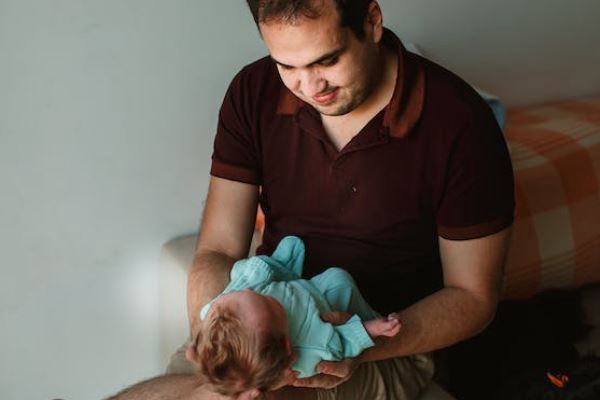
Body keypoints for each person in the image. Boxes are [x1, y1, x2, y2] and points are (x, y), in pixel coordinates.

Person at [109, 0, 514, 399]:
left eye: (328, 60)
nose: (310, 86)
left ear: (372, 21)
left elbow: (473, 298)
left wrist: (357, 345)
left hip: (380, 345)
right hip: (266, 314)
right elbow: (217, 248)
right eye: (287, 66)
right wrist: (218, 332)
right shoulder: (253, 91)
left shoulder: (460, 124)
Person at [187, 236, 401, 399]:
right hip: (320, 298)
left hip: (290, 283)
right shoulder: (308, 348)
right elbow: (342, 343)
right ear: (287, 344)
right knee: (339, 280)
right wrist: (369, 329)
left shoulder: (225, 309)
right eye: (269, 304)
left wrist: (198, 343)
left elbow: (241, 283)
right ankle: (369, 313)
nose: (253, 292)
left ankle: (283, 266)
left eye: (244, 295)